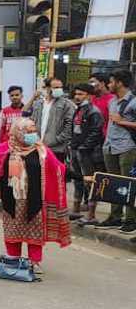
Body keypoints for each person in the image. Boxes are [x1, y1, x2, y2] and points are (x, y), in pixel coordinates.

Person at [0, 118, 71, 273]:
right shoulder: (5, 149)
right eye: (28, 132)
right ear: (18, 132)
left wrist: (79, 176)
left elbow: (58, 168)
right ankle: (13, 258)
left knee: (34, 228)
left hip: (35, 198)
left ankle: (34, 261)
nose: (33, 135)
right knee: (12, 228)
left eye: (34, 131)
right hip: (12, 199)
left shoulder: (42, 151)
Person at [100, 70, 136, 232]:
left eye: (111, 81)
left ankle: (130, 219)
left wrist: (123, 122)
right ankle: (115, 216)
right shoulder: (112, 102)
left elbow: (121, 122)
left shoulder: (134, 102)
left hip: (127, 147)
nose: (109, 85)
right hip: (110, 146)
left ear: (119, 83)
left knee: (128, 183)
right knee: (113, 183)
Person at [68, 83, 103, 223]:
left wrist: (84, 147)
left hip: (88, 153)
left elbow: (96, 132)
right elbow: (74, 130)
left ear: (89, 95)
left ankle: (91, 214)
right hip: (76, 150)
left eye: (81, 94)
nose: (77, 97)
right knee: (77, 180)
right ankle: (76, 210)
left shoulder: (94, 111)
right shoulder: (79, 110)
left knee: (90, 183)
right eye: (76, 94)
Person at [28, 78, 74, 168]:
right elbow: (31, 121)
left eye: (61, 87)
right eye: (56, 87)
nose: (59, 90)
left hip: (56, 148)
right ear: (48, 88)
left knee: (55, 174)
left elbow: (69, 124)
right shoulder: (38, 103)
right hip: (37, 146)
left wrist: (59, 139)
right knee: (38, 174)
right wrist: (32, 139)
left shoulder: (66, 104)